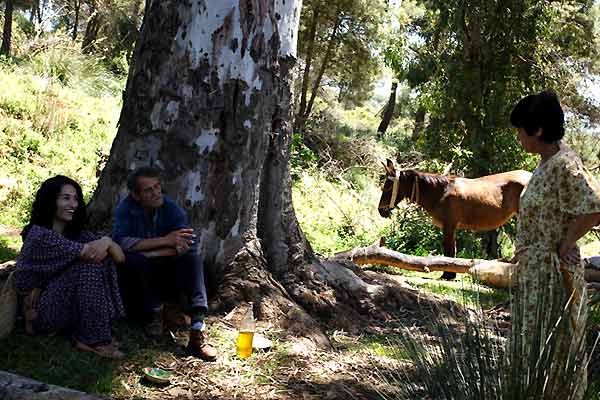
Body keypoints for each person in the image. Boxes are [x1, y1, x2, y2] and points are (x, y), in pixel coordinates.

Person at [510, 90, 600, 398]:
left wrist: (566, 242)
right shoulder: (544, 163)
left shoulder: (565, 163)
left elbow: (594, 207)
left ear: (537, 129)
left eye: (521, 130)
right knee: (531, 348)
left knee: (555, 347)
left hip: (553, 276)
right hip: (535, 274)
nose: (519, 137)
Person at [15, 175, 126, 359]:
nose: (73, 204)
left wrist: (106, 241)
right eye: (65, 198)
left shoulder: (74, 234)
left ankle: (91, 332)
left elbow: (120, 257)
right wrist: (106, 243)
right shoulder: (40, 235)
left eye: (76, 199)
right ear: (51, 201)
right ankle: (94, 340)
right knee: (91, 265)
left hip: (58, 303)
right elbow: (91, 253)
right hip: (38, 312)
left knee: (102, 259)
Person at [113, 166, 217, 361]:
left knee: (192, 258)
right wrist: (165, 240)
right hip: (138, 276)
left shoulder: (169, 208)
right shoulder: (125, 209)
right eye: (148, 190)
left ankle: (197, 327)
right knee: (136, 261)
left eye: (158, 187)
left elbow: (186, 243)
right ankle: (153, 315)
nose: (156, 193)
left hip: (168, 267)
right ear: (136, 195)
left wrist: (150, 251)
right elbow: (122, 243)